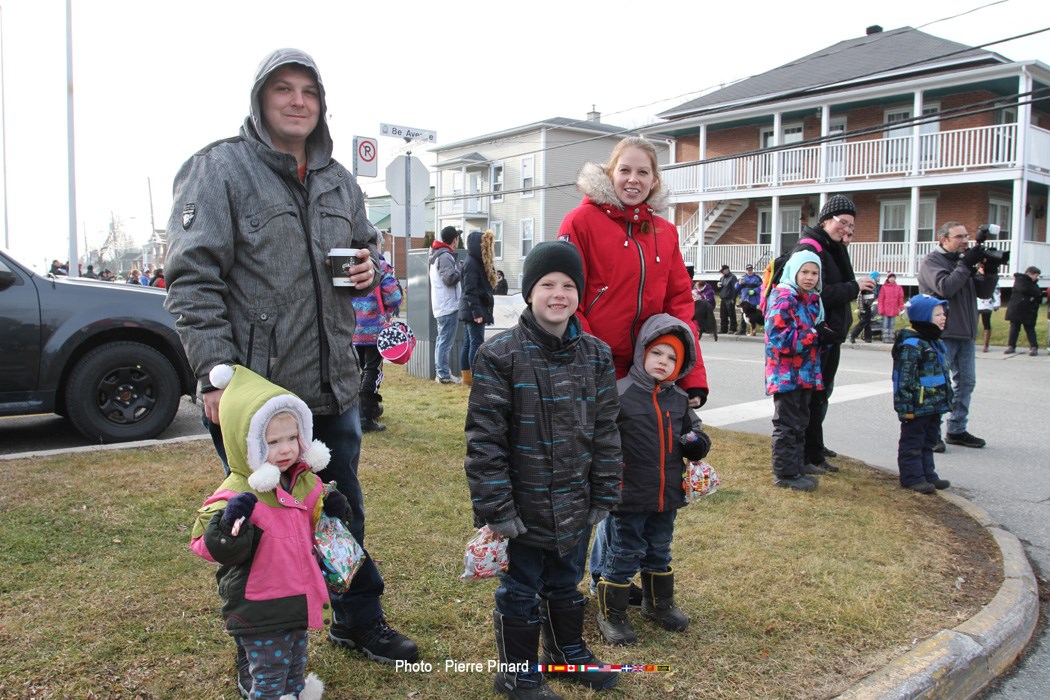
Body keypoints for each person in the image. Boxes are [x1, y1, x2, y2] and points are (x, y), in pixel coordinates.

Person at [164, 48, 417, 666]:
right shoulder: (218, 170)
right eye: (284, 88)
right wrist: (214, 373)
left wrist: (365, 267)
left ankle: (357, 621)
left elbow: (363, 251)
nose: (298, 100)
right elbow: (191, 280)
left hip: (332, 383)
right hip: (256, 393)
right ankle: (266, 647)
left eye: (309, 90)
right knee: (261, 526)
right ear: (261, 98)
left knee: (338, 510)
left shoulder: (339, 181)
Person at [464, 241, 621, 697]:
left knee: (566, 583)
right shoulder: (500, 355)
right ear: (530, 292)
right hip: (522, 508)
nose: (559, 294)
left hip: (577, 503)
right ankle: (516, 672)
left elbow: (607, 429)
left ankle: (566, 654)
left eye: (569, 285)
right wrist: (497, 507)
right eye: (547, 284)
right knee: (520, 590)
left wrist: (604, 491)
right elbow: (484, 440)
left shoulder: (596, 355)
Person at [557, 135, 709, 597]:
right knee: (592, 479)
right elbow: (570, 296)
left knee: (632, 480)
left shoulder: (664, 232)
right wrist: (592, 361)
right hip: (597, 371)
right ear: (610, 172)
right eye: (625, 170)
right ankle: (568, 584)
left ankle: (610, 578)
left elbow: (681, 303)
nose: (634, 180)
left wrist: (692, 374)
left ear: (655, 179)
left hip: (647, 378)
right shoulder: (581, 221)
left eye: (644, 172)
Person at [190, 365, 338, 699]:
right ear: (247, 444)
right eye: (272, 441)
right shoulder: (236, 493)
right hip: (260, 608)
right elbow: (211, 546)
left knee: (295, 668)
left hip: (297, 599)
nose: (286, 449)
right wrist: (229, 524)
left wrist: (333, 508)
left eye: (292, 438)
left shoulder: (304, 482)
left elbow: (315, 526)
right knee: (269, 678)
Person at [595, 314, 711, 646]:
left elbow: (696, 434)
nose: (664, 362)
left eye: (672, 357)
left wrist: (696, 443)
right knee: (623, 551)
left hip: (667, 494)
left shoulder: (678, 400)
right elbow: (600, 439)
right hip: (628, 493)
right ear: (642, 352)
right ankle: (612, 614)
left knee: (660, 549)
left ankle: (658, 604)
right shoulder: (620, 393)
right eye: (658, 353)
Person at [793, 195, 876, 473]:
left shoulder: (832, 246)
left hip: (830, 335)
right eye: (843, 223)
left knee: (822, 394)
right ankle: (808, 453)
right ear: (826, 219)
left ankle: (815, 446)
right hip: (817, 335)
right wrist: (854, 287)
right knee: (813, 396)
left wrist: (853, 285)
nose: (847, 230)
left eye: (851, 226)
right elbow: (816, 292)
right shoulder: (811, 248)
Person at [917, 221, 998, 450]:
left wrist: (990, 271)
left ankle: (956, 429)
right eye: (959, 237)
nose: (965, 241)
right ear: (944, 239)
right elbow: (945, 287)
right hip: (943, 332)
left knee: (966, 383)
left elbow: (983, 291)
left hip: (966, 331)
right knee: (937, 384)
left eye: (966, 236)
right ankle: (930, 433)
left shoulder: (963, 262)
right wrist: (966, 265)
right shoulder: (932, 261)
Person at [764, 250, 827, 492]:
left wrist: (824, 336)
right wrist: (814, 335)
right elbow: (780, 340)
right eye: (805, 272)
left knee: (801, 423)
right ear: (794, 272)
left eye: (814, 273)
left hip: (804, 375)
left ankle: (797, 466)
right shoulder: (784, 298)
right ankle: (785, 474)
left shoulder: (809, 300)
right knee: (787, 425)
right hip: (786, 376)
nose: (809, 277)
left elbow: (808, 333)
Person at [892, 295, 953, 494]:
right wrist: (905, 408)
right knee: (913, 442)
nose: (943, 317)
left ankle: (928, 474)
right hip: (917, 407)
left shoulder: (933, 341)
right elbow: (902, 378)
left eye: (943, 313)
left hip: (933, 405)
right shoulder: (912, 344)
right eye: (937, 314)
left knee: (929, 441)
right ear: (923, 316)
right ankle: (912, 477)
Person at [352, 251, 403, 432]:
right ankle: (365, 415)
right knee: (372, 370)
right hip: (374, 330)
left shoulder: (349, 264)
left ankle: (361, 410)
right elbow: (394, 298)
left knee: (355, 370)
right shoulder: (380, 267)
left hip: (351, 329)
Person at [458, 229, 497, 386]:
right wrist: (477, 312)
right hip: (474, 309)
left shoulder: (473, 262)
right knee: (476, 343)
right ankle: (475, 378)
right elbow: (470, 290)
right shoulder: (472, 264)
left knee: (469, 342)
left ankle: (467, 379)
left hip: (472, 309)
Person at [430, 225, 463, 384]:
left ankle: (441, 372)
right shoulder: (445, 256)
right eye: (457, 237)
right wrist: (461, 270)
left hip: (442, 305)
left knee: (441, 340)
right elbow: (449, 279)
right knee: (445, 342)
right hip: (448, 305)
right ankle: (443, 374)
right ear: (454, 239)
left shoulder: (438, 254)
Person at [1004, 266, 1042, 356]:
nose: (1037, 278)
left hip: (1029, 310)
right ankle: (1011, 346)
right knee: (1014, 328)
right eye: (1036, 275)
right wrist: (1034, 293)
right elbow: (1023, 289)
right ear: (1030, 274)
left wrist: (1035, 294)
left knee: (1030, 329)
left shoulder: (1034, 284)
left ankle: (1034, 347)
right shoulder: (1020, 280)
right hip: (1017, 309)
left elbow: (1038, 294)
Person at [849, 271, 881, 344]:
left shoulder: (875, 285)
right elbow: (866, 297)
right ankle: (852, 335)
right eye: (878, 276)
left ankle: (868, 338)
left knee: (868, 321)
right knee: (863, 322)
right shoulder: (870, 285)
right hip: (864, 305)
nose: (879, 278)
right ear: (874, 277)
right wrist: (875, 298)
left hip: (868, 305)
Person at [976, 269, 1000, 353]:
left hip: (987, 303)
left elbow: (996, 291)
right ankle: (972, 342)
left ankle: (986, 344)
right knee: (974, 323)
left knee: (986, 323)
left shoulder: (991, 277)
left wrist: (997, 303)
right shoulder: (975, 276)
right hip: (976, 303)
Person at [877, 272, 906, 343]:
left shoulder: (898, 288)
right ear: (888, 278)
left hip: (893, 309)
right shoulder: (884, 287)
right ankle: (885, 337)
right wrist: (880, 309)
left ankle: (891, 337)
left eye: (893, 278)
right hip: (885, 310)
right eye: (890, 277)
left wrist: (902, 309)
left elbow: (900, 299)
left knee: (892, 324)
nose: (892, 279)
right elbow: (880, 299)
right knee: (885, 323)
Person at [736, 263, 763, 336]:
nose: (749, 271)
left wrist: (755, 290)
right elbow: (736, 288)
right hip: (744, 299)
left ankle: (753, 331)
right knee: (743, 316)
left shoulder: (757, 278)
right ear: (745, 270)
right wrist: (739, 283)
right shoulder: (742, 278)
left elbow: (762, 287)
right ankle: (742, 330)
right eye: (748, 270)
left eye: (750, 270)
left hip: (753, 300)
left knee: (753, 317)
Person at [692, 274, 717, 341]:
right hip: (701, 305)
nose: (697, 289)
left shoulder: (709, 290)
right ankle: (704, 329)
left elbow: (709, 299)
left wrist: (701, 298)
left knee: (706, 317)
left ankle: (708, 329)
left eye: (698, 287)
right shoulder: (698, 289)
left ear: (702, 286)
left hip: (709, 305)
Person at [717, 264, 739, 334]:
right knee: (723, 314)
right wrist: (718, 286)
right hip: (723, 298)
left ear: (727, 270)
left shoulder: (732, 277)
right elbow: (721, 288)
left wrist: (733, 298)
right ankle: (723, 329)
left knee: (731, 314)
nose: (722, 273)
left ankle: (733, 328)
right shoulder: (722, 278)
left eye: (723, 271)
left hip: (730, 298)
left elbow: (735, 289)